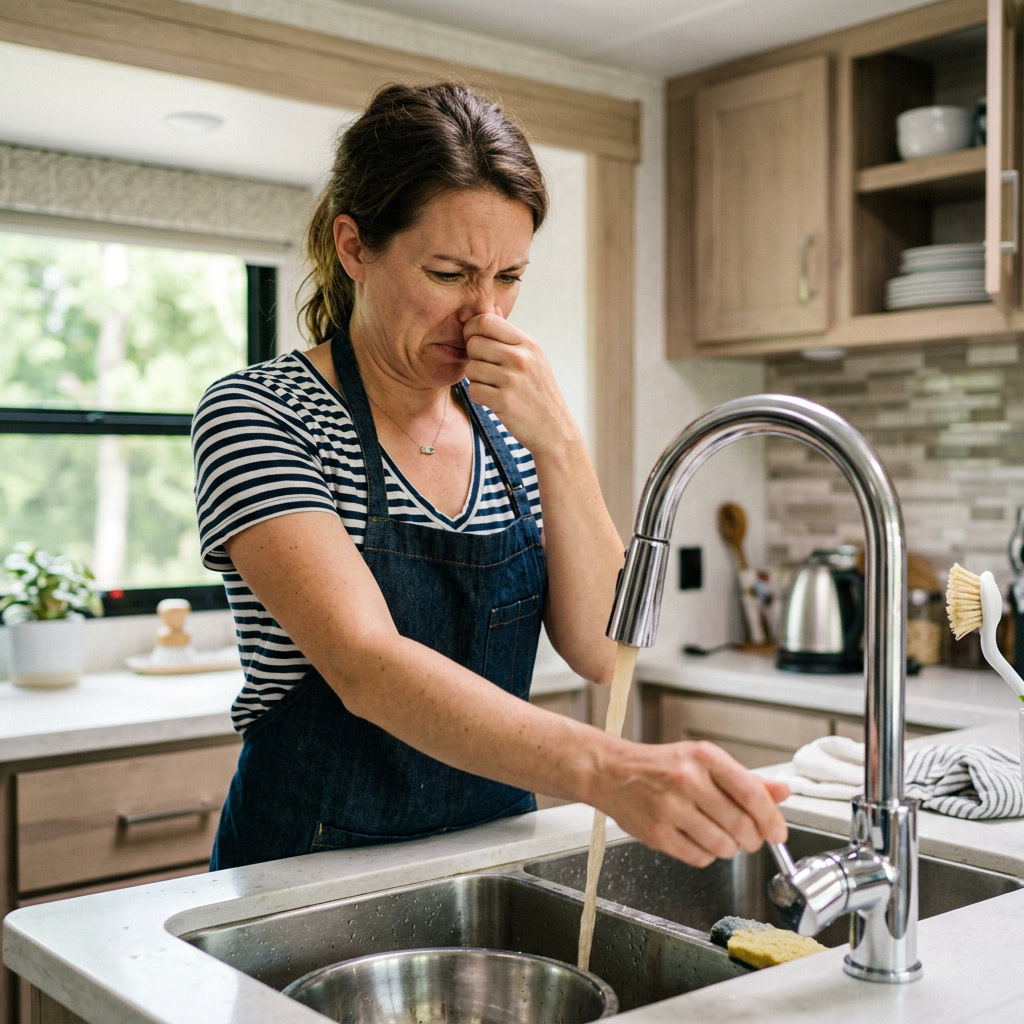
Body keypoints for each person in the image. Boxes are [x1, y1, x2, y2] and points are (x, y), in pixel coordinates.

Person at [192, 80, 789, 871]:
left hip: (496, 855)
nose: (485, 315)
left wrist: (561, 442)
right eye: (448, 274)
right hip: (307, 868)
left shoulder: (510, 425)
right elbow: (367, 666)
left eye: (508, 277)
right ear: (354, 246)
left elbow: (607, 653)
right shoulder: (259, 412)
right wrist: (610, 770)